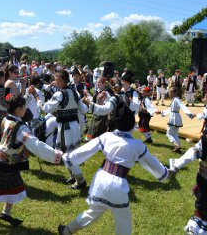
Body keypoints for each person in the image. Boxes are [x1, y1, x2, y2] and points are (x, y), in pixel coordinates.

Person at [58, 101, 169, 235]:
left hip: (101, 180)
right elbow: (153, 165)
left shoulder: (106, 136)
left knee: (92, 212)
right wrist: (165, 173)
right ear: (132, 124)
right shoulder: (137, 145)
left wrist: (67, 157)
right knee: (124, 221)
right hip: (117, 185)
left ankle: (66, 231)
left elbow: (84, 150)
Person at [0, 94, 63, 226]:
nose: (26, 109)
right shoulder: (20, 128)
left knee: (16, 187)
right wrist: (55, 154)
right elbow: (36, 145)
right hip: (3, 164)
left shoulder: (4, 120)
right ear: (18, 109)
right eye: (24, 107)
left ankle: (6, 213)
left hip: (9, 162)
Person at [43, 70, 89, 189]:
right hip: (74, 126)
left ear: (62, 80)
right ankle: (73, 176)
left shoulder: (59, 94)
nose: (55, 81)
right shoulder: (74, 93)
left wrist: (38, 99)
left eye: (57, 79)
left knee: (65, 154)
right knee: (69, 152)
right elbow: (84, 110)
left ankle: (80, 179)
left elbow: (46, 108)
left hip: (65, 127)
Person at [161, 87, 195, 153]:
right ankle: (178, 147)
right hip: (175, 116)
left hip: (173, 117)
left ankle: (176, 145)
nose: (169, 94)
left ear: (173, 93)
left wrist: (190, 114)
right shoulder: (174, 100)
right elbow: (170, 109)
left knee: (169, 133)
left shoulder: (176, 100)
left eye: (170, 92)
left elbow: (183, 106)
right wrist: (162, 112)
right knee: (175, 133)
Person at [86, 76, 110, 141]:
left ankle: (100, 142)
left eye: (99, 82)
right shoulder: (97, 91)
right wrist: (88, 95)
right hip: (96, 113)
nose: (97, 84)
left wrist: (100, 104)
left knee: (99, 129)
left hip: (102, 114)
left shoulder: (105, 93)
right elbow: (93, 101)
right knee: (93, 128)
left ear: (104, 84)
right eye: (97, 82)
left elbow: (107, 104)